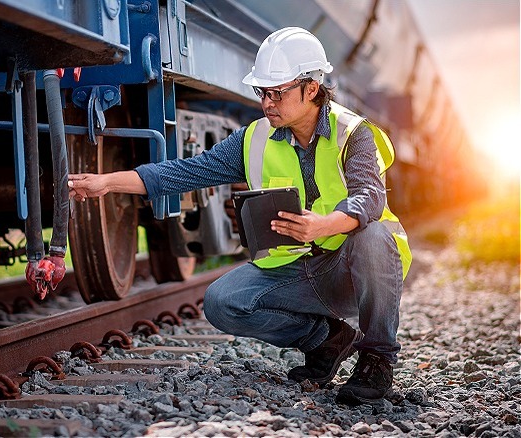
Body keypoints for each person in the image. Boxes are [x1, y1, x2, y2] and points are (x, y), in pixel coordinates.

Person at [67, 27, 412, 405]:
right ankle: (327, 341)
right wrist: (108, 183)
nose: (266, 102)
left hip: (352, 272)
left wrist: (324, 224)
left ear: (311, 89)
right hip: (302, 271)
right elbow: (184, 172)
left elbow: (369, 196)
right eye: (261, 92)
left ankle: (377, 359)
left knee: (375, 235)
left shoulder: (354, 134)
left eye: (276, 92)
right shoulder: (254, 138)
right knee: (222, 301)